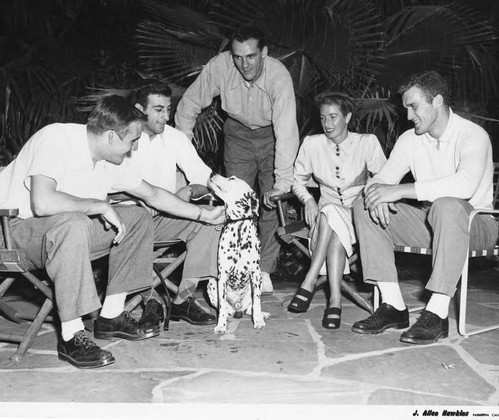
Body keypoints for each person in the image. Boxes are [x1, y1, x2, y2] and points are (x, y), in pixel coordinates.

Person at [0, 95, 224, 369]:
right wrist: (99, 206)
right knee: (75, 222)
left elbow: (153, 195)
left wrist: (204, 214)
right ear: (110, 137)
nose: (132, 151)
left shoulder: (108, 160)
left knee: (137, 216)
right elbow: (42, 202)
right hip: (12, 231)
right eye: (131, 142)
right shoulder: (56, 138)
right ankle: (71, 335)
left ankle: (112, 315)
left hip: (62, 234)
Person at [351, 71, 498, 344]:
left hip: (476, 222)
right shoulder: (410, 139)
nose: (408, 115)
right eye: (406, 107)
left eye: (414, 106)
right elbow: (384, 178)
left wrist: (398, 191)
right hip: (431, 221)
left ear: (438, 101)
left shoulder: (472, 135)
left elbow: (464, 186)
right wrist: (377, 193)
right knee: (364, 203)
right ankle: (393, 305)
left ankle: (437, 313)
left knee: (447, 206)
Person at [175, 25, 300, 293]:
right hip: (237, 134)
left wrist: (283, 181)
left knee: (270, 201)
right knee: (237, 205)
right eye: (238, 57)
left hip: (272, 136)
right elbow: (188, 104)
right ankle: (238, 268)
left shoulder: (279, 76)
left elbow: (287, 131)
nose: (244, 64)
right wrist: (181, 152)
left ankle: (264, 269)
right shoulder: (220, 66)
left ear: (264, 52)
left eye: (251, 56)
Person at [122, 82, 221, 326]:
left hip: (165, 217)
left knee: (212, 220)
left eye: (168, 109)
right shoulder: (120, 137)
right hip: (126, 224)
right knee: (138, 218)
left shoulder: (174, 138)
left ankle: (183, 299)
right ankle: (151, 300)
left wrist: (188, 190)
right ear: (138, 109)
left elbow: (205, 180)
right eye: (158, 109)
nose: (166, 116)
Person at [287, 92, 387, 329]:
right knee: (330, 216)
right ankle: (335, 301)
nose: (327, 124)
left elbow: (384, 179)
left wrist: (370, 194)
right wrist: (308, 201)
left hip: (358, 216)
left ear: (348, 117)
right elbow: (296, 181)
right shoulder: (312, 144)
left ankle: (310, 279)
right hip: (324, 220)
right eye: (323, 118)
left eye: (333, 117)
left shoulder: (367, 142)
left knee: (330, 213)